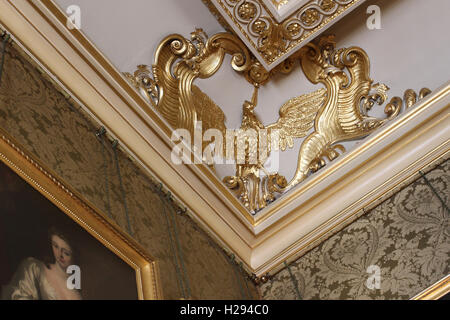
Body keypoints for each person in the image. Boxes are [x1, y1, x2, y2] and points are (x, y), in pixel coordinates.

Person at [2, 226, 82, 300]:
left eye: (66, 253)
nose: (59, 254)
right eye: (55, 246)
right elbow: (16, 295)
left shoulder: (76, 295)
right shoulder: (33, 268)